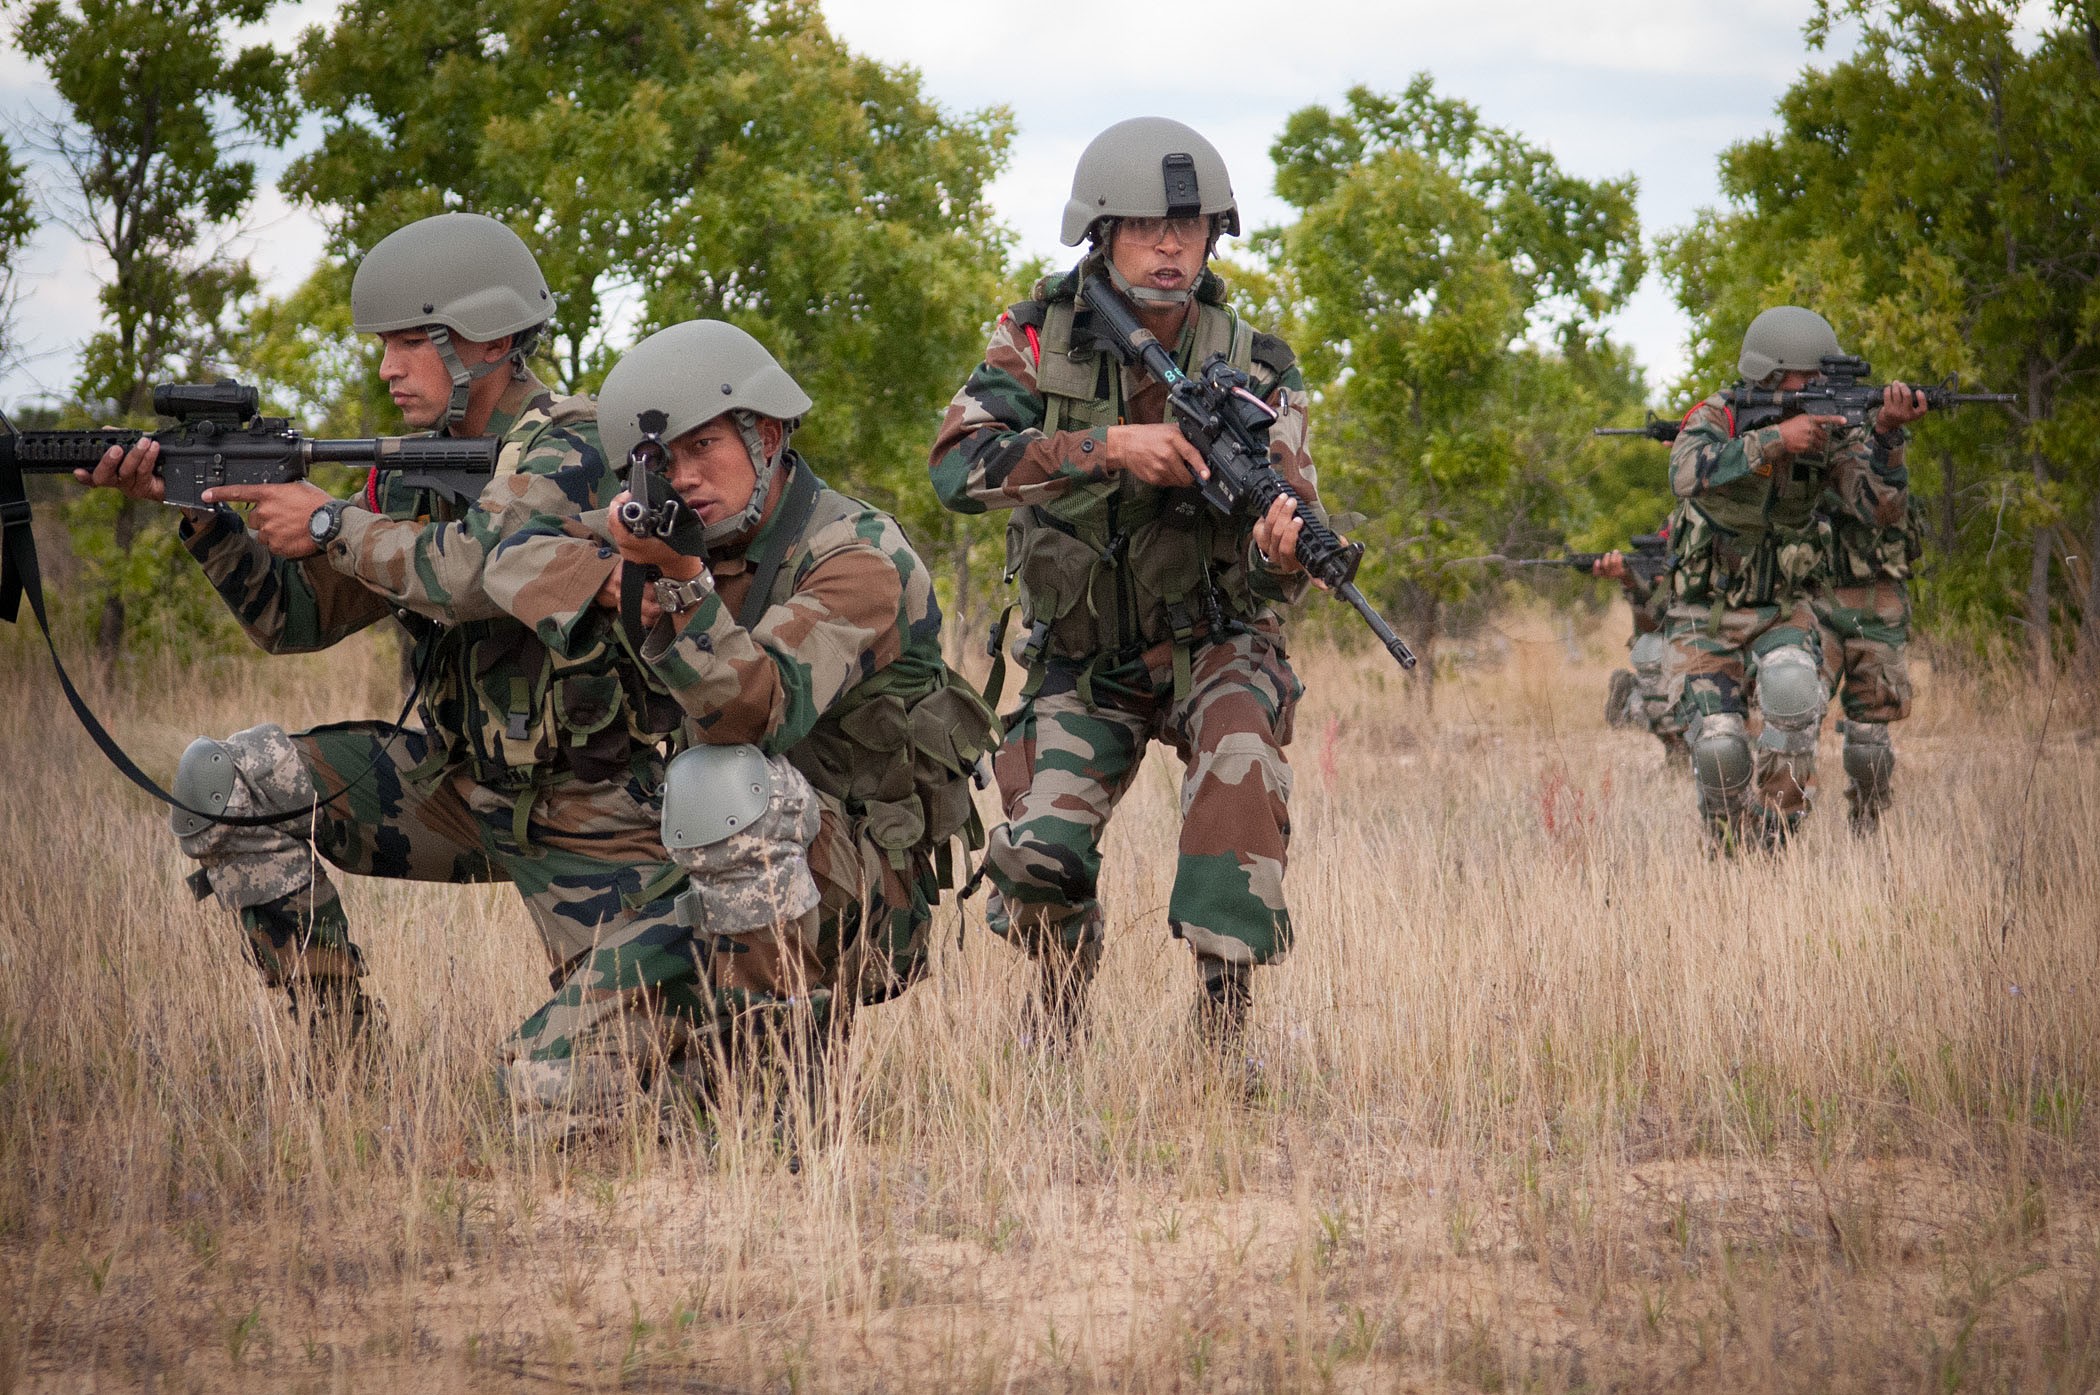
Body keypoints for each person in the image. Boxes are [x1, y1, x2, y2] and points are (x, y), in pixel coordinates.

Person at [77, 213, 696, 1130]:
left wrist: (331, 524)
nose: (388, 368)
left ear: (484, 340)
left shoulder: (572, 443)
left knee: (560, 1102)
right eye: (386, 346)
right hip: (458, 791)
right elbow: (292, 619)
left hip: (596, 819)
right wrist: (203, 513)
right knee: (230, 782)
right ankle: (344, 1066)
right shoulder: (406, 475)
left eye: (411, 342)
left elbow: (479, 571)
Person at [929, 116, 1330, 1053]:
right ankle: (1060, 1011)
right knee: (1034, 857)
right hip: (1084, 654)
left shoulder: (1259, 363)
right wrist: (1104, 448)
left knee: (1239, 771)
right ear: (1101, 234)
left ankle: (1223, 1032)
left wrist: (1283, 551)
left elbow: (1290, 545)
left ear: (1212, 237)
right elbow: (957, 469)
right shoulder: (1034, 338)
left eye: (1187, 229)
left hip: (1216, 638)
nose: (1167, 246)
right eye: (1146, 226)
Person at [575, 319, 994, 1074]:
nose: (687, 476)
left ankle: (785, 1080)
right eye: (665, 461)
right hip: (712, 862)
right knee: (554, 1085)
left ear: (766, 437)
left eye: (706, 445)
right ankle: (692, 1057)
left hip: (863, 889)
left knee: (726, 780)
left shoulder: (858, 555)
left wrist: (677, 587)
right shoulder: (687, 547)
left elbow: (753, 711)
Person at [1663, 305, 1926, 851]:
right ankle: (1730, 844)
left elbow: (1878, 509)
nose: (1821, 386)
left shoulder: (1831, 431)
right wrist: (1776, 440)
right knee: (1718, 746)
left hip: (1782, 611)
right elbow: (1685, 472)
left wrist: (1886, 438)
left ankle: (1776, 839)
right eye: (1811, 376)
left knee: (1793, 694)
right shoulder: (1721, 415)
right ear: (1773, 372)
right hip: (1703, 614)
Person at [1815, 486, 1922, 834]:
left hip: (1877, 606)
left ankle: (1866, 822)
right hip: (1811, 603)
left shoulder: (1881, 453)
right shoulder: (1797, 442)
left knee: (1870, 738)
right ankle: (1772, 831)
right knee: (1789, 715)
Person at [1594, 541, 1689, 767]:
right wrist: (1630, 581)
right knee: (1651, 649)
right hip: (1675, 665)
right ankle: (1678, 753)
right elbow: (1655, 621)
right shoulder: (1674, 532)